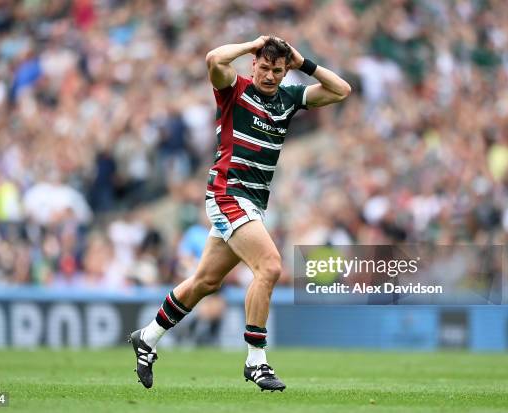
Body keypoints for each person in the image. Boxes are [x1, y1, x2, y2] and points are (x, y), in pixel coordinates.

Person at [129, 35, 351, 391]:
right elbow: (214, 59)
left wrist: (303, 63)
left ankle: (148, 337)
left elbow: (341, 90)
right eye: (263, 67)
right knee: (270, 266)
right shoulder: (235, 89)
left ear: (284, 70)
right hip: (227, 194)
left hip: (253, 203)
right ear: (253, 65)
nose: (269, 75)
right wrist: (253, 44)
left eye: (277, 70)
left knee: (206, 282)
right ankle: (256, 361)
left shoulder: (289, 98)